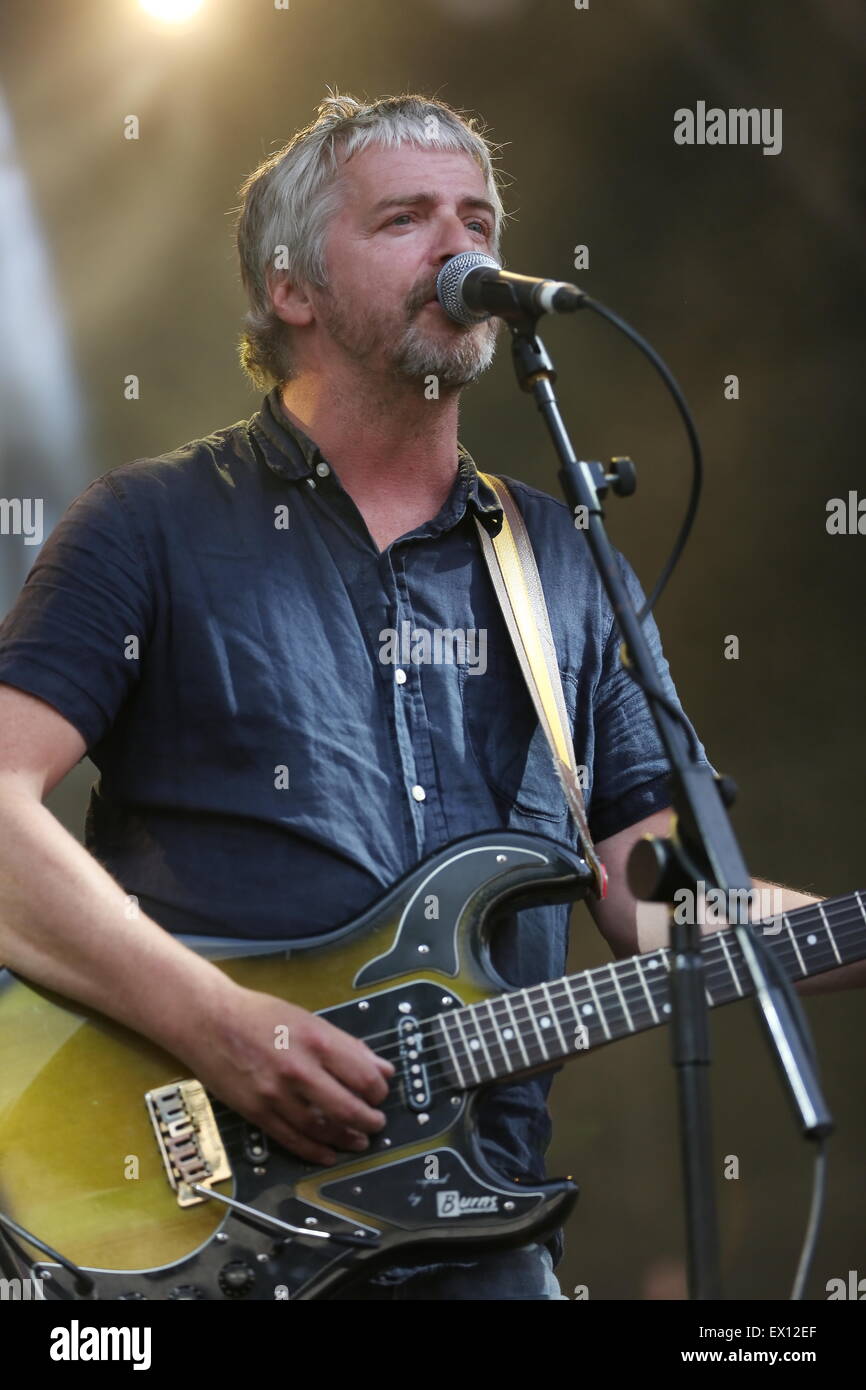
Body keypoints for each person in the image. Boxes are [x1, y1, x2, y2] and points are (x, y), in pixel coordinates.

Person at [0, 92, 860, 1302]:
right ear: (291, 289)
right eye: (404, 218)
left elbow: (653, 903)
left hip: (474, 1227)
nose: (460, 249)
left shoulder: (562, 558)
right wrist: (215, 1024)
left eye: (477, 218)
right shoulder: (150, 526)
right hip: (190, 1214)